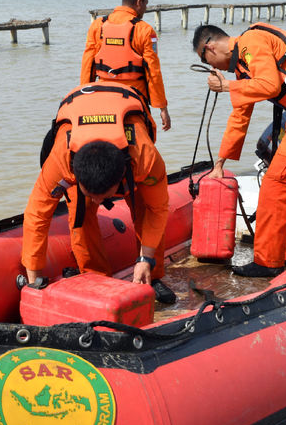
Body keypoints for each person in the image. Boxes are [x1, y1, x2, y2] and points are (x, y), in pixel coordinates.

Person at [192, 23, 286, 277]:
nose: (212, 67)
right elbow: (240, 115)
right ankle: (284, 256)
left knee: (276, 185)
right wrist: (220, 163)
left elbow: (270, 85)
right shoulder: (242, 69)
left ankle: (267, 262)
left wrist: (227, 86)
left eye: (205, 59)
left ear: (210, 47)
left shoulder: (251, 43)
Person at [21, 82, 176, 304]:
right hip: (79, 122)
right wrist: (33, 278)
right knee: (79, 214)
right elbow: (37, 214)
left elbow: (158, 209)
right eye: (92, 195)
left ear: (122, 176)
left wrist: (145, 258)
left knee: (144, 207)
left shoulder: (144, 158)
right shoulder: (62, 161)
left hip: (125, 109)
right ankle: (95, 277)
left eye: (103, 197)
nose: (97, 201)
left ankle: (153, 274)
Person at [81, 0, 171, 133]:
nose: (145, 8)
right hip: (134, 99)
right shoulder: (145, 31)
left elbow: (87, 65)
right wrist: (162, 108)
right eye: (146, 4)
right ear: (139, 2)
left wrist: (83, 96)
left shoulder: (97, 26)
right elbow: (153, 72)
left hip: (103, 97)